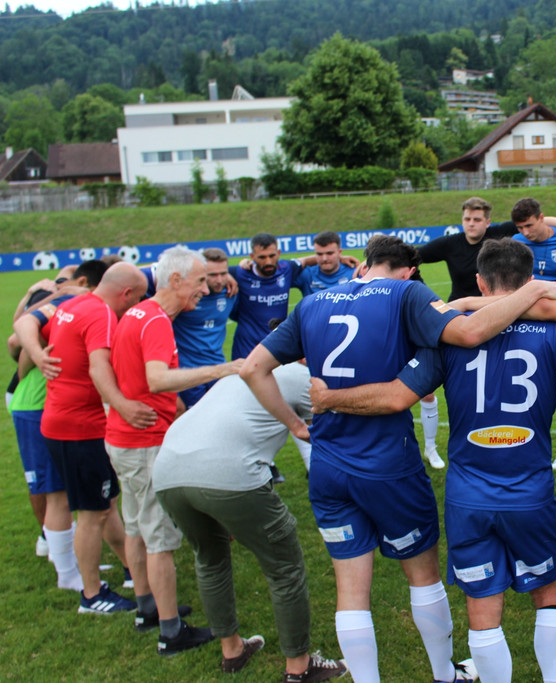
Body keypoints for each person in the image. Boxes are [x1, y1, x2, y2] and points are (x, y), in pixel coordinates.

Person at [306, 238, 556, 683]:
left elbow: (396, 396)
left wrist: (330, 398)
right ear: (531, 280)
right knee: (549, 593)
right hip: (529, 490)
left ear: (480, 281)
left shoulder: (448, 337)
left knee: (483, 610)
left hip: (468, 495)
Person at [242, 235, 556, 683]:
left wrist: (296, 425)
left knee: (350, 591)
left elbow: (251, 369)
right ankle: (444, 674)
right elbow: (469, 332)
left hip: (328, 464)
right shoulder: (407, 293)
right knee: (423, 576)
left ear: (364, 265)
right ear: (410, 271)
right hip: (388, 463)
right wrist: (534, 291)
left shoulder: (312, 303)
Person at [152, 363, 347, 681]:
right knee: (284, 566)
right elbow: (336, 429)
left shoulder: (240, 374)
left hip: (167, 472)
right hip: (228, 472)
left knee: (210, 559)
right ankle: (299, 668)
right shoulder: (301, 376)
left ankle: (232, 650)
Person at [105, 246, 243, 654]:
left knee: (135, 527)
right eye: (200, 281)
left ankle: (147, 608)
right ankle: (171, 631)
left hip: (125, 439)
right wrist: (224, 369)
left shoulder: (138, 313)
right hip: (144, 443)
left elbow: (131, 374)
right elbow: (157, 378)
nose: (207, 289)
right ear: (177, 280)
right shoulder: (156, 322)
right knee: (160, 538)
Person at [14, 262, 152, 615]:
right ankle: (91, 595)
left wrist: (38, 354)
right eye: (136, 298)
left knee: (105, 504)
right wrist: (123, 405)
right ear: (125, 293)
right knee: (93, 513)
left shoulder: (73, 304)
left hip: (62, 421)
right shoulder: (101, 314)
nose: (136, 305)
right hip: (80, 428)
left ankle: (133, 572)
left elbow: (24, 323)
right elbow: (98, 366)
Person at [415, 197, 556, 469]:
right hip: (463, 321)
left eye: (477, 219)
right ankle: (435, 446)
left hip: (501, 314)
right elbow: (415, 257)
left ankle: (499, 443)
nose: (471, 224)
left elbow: (535, 219)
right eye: (467, 219)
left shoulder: (500, 235)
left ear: (488, 222)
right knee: (453, 385)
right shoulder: (450, 244)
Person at [7, 260, 106, 586]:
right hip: (37, 406)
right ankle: (66, 570)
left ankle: (68, 558)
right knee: (55, 492)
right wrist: (36, 358)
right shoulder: (63, 303)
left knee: (64, 490)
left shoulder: (67, 305)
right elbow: (16, 342)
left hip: (49, 406)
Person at [511, 197, 556, 470]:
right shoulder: (517, 243)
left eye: (529, 225)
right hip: (529, 324)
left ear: (541, 218)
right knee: (527, 386)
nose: (525, 232)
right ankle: (524, 442)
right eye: (520, 227)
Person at [171, 247, 237, 408]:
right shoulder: (184, 295)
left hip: (220, 369)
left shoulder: (231, 291)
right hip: (189, 374)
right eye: (212, 275)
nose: (219, 280)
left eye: (223, 273)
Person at [229, 232, 305, 361]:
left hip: (278, 347)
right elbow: (212, 271)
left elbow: (307, 260)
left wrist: (340, 258)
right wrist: (227, 276)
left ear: (278, 253)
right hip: (246, 350)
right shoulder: (240, 273)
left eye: (272, 256)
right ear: (252, 256)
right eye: (262, 257)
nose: (268, 261)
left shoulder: (287, 268)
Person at [294, 230, 357, 296]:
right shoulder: (307, 274)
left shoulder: (353, 273)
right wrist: (306, 260)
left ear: (339, 252)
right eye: (319, 254)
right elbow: (287, 267)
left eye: (329, 253)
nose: (324, 259)